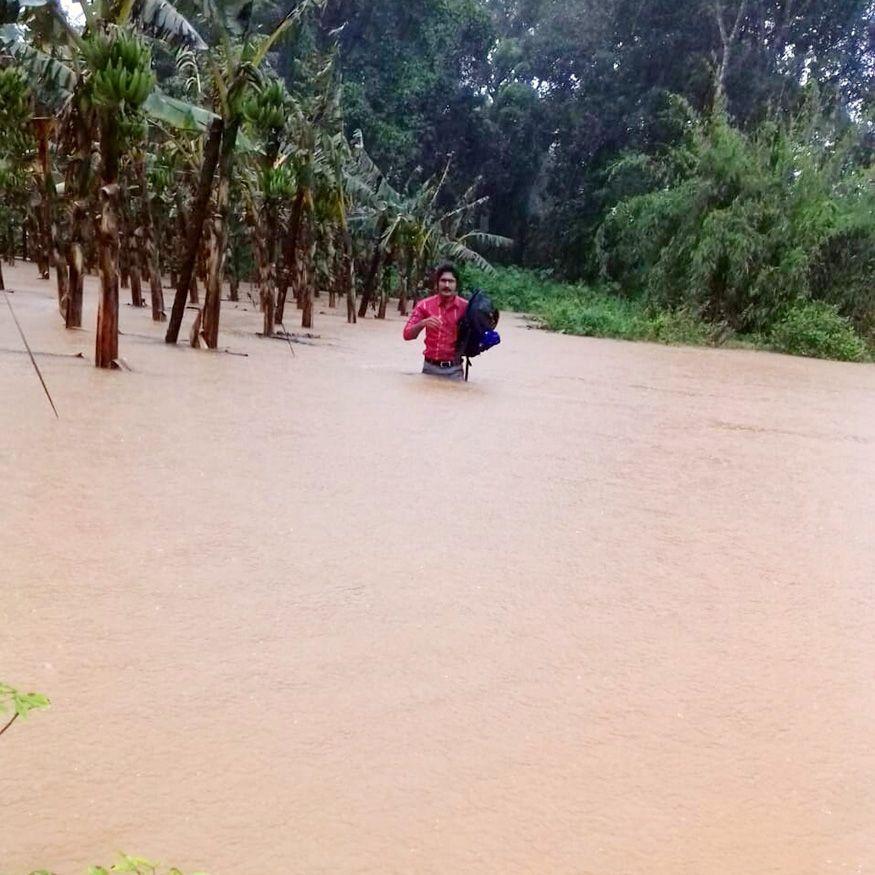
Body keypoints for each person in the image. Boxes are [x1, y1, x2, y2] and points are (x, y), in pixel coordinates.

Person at [403, 262, 468, 380]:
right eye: (443, 280)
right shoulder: (424, 305)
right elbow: (407, 334)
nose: (447, 285)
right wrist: (422, 324)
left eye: (451, 281)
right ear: (436, 284)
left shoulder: (466, 308)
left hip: (455, 370)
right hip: (429, 368)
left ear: (456, 285)